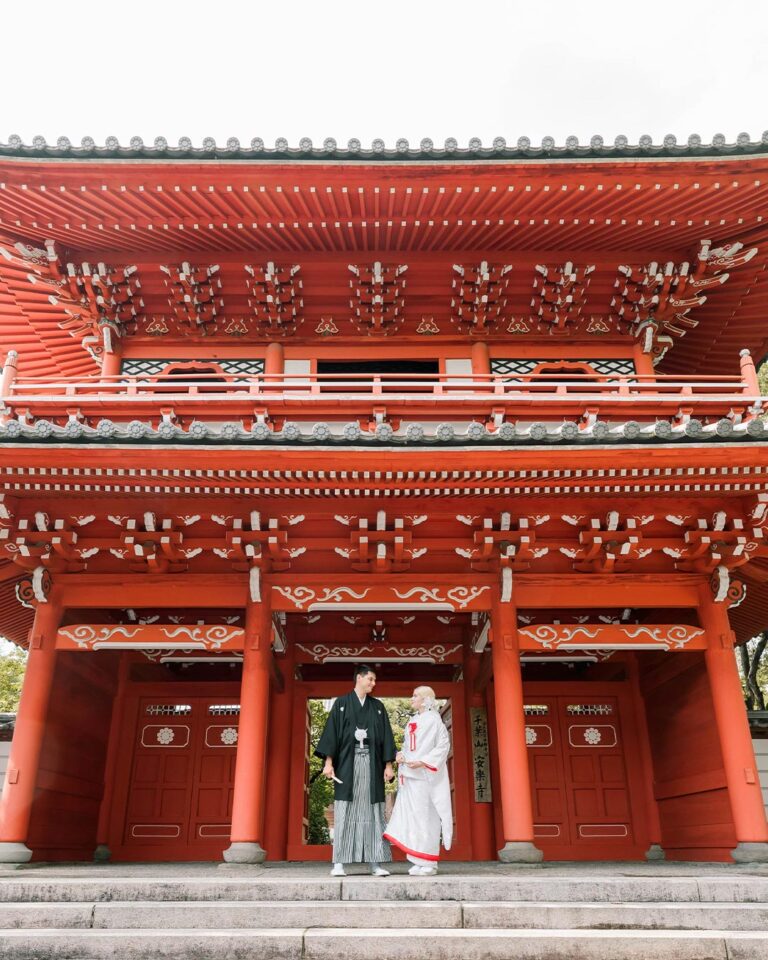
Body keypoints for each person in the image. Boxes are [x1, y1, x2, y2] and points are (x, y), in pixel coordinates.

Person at [315, 664, 396, 877]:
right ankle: (339, 863)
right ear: (359, 678)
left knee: (374, 812)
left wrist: (388, 765)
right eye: (370, 679)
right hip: (347, 765)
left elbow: (386, 736)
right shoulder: (341, 704)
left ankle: (375, 863)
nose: (373, 683)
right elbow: (332, 735)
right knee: (344, 811)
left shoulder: (378, 707)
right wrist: (328, 763)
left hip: (372, 764)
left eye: (374, 680)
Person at [383, 685, 452, 876]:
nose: (411, 699)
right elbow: (408, 746)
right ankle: (418, 859)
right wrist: (401, 756)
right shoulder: (413, 720)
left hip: (425, 777)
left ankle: (429, 862)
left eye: (415, 696)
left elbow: (443, 746)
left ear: (425, 700)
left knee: (426, 817)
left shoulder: (434, 720)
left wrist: (423, 761)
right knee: (414, 818)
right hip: (410, 777)